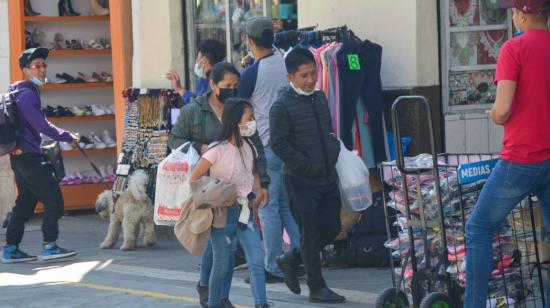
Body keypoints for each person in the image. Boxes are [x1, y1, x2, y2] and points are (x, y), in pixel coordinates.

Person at [464, 1, 550, 306]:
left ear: (523, 15)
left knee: (478, 228)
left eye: (513, 12)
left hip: (521, 159)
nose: (513, 18)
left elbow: (502, 110)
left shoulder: (513, 49)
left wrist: (493, 114)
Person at [168, 62, 269, 308]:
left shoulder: (243, 120)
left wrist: (262, 184)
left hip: (243, 205)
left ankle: (249, 301)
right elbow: (175, 139)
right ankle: (212, 294)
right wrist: (201, 149)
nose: (232, 90)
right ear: (213, 85)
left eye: (236, 85)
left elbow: (256, 157)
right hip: (217, 200)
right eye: (227, 86)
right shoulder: (195, 110)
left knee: (240, 257)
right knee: (219, 255)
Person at [270, 48, 345, 303]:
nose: (310, 79)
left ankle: (292, 258)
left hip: (327, 176)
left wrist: (333, 148)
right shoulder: (281, 106)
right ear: (290, 76)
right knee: (311, 233)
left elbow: (328, 130)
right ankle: (317, 287)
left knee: (333, 226)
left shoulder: (320, 97)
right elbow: (278, 144)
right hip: (300, 180)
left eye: (313, 73)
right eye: (304, 75)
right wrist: (306, 166)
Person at [1, 48, 79, 263]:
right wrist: (67, 136)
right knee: (54, 198)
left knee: (26, 201)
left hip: (20, 157)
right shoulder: (26, 95)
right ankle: (50, 246)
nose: (42, 69)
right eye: (37, 65)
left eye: (44, 65)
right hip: (29, 157)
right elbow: (41, 125)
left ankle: (11, 249)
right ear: (26, 70)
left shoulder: (19, 92)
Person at [239, 16, 302, 284]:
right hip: (290, 144)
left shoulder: (253, 73)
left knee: (267, 205)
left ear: (250, 41)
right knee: (286, 205)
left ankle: (274, 266)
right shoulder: (286, 63)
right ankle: (300, 258)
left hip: (266, 145)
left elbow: (239, 108)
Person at [189, 98, 269, 308]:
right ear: (234, 121)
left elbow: (253, 173)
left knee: (257, 261)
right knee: (222, 265)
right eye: (249, 118)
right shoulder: (216, 149)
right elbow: (194, 179)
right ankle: (214, 303)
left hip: (246, 212)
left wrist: (258, 190)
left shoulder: (250, 147)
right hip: (222, 216)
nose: (252, 122)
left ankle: (262, 304)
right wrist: (219, 196)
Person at [166, 39, 226, 104]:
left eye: (198, 58)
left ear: (205, 60)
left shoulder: (214, 84)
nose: (196, 61)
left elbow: (199, 106)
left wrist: (180, 89)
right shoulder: (205, 81)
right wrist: (179, 88)